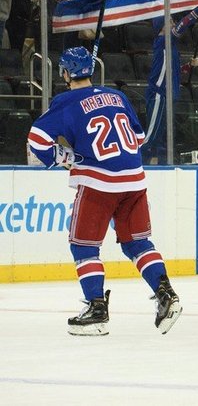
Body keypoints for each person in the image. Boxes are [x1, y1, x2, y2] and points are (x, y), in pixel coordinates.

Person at [27, 47, 182, 336]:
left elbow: (36, 139)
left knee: (84, 246)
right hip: (135, 180)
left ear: (64, 73)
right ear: (90, 70)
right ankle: (166, 295)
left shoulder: (66, 100)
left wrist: (64, 157)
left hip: (100, 183)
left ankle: (97, 310)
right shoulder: (118, 96)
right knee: (137, 243)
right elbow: (138, 137)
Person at [141, 0, 198, 165]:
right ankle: (136, 164)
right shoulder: (163, 42)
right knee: (151, 135)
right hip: (159, 94)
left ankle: (163, 166)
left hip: (167, 96)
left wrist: (188, 66)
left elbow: (173, 72)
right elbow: (183, 25)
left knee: (163, 137)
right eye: (170, 20)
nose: (173, 22)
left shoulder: (170, 46)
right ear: (162, 27)